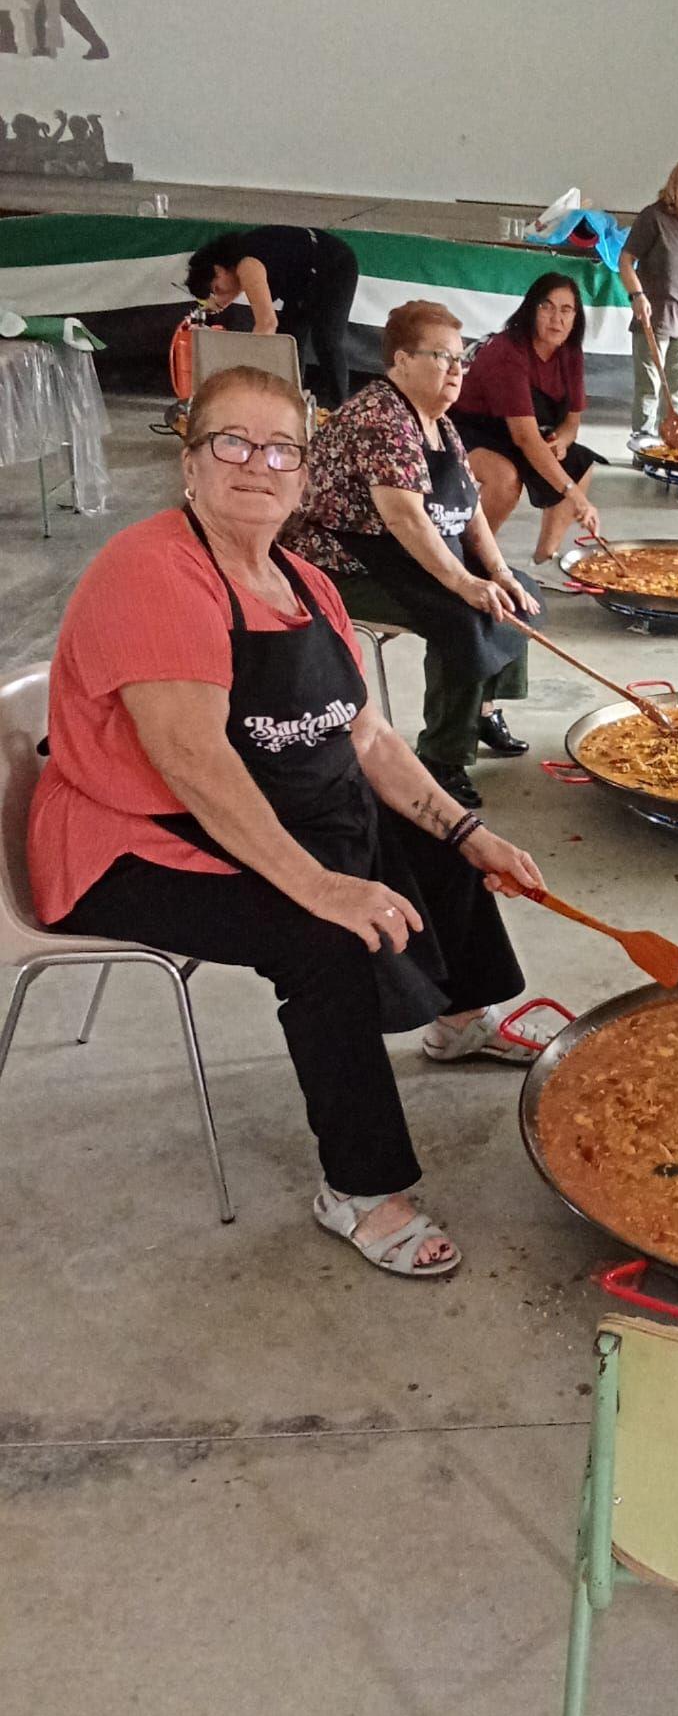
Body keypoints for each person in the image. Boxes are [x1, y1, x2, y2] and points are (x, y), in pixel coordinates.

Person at [29, 366, 560, 1278]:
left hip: (263, 805)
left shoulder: (304, 580)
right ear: (188, 463)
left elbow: (366, 734)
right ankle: (360, 1189)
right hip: (130, 841)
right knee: (325, 941)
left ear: (306, 474)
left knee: (435, 836)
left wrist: (470, 835)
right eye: (229, 442)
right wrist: (321, 885)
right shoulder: (153, 573)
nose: (256, 465)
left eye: (281, 449)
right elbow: (194, 764)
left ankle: (460, 1019)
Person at [291, 300, 541, 809]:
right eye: (442, 357)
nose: (457, 370)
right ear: (401, 360)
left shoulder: (437, 421)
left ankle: (482, 712)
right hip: (341, 564)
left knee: (518, 591)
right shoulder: (378, 416)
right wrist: (466, 583)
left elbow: (468, 509)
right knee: (463, 613)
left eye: (460, 359)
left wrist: (495, 571)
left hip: (403, 554)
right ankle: (441, 758)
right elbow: (404, 517)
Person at [451, 271, 601, 576]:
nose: (556, 319)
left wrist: (562, 441)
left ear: (576, 317)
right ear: (530, 309)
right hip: (469, 426)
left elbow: (572, 421)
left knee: (579, 463)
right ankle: (471, 558)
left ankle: (545, 558)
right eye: (546, 307)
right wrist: (575, 496)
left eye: (566, 310)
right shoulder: (508, 352)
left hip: (523, 430)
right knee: (505, 479)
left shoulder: (570, 353)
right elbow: (525, 438)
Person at [184, 226, 361, 410]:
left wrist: (244, 376)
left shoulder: (247, 265)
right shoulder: (242, 258)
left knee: (326, 338)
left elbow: (267, 323)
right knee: (290, 338)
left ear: (219, 270)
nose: (220, 299)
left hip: (334, 263)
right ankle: (293, 404)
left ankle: (340, 408)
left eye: (217, 290)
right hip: (305, 279)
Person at [619, 160, 678, 437]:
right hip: (654, 319)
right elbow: (625, 261)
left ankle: (668, 442)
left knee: (677, 390)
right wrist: (636, 295)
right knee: (649, 387)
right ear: (672, 188)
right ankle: (642, 440)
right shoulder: (653, 217)